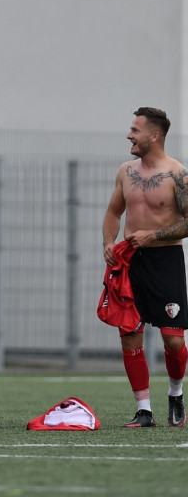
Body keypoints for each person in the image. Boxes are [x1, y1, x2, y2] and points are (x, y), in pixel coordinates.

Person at [103, 106, 188, 428]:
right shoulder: (125, 171)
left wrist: (153, 235)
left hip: (166, 261)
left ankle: (176, 393)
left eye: (135, 130)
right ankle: (144, 411)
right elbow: (114, 212)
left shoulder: (178, 174)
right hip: (130, 262)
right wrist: (108, 243)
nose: (129, 135)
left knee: (173, 340)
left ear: (154, 136)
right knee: (129, 335)